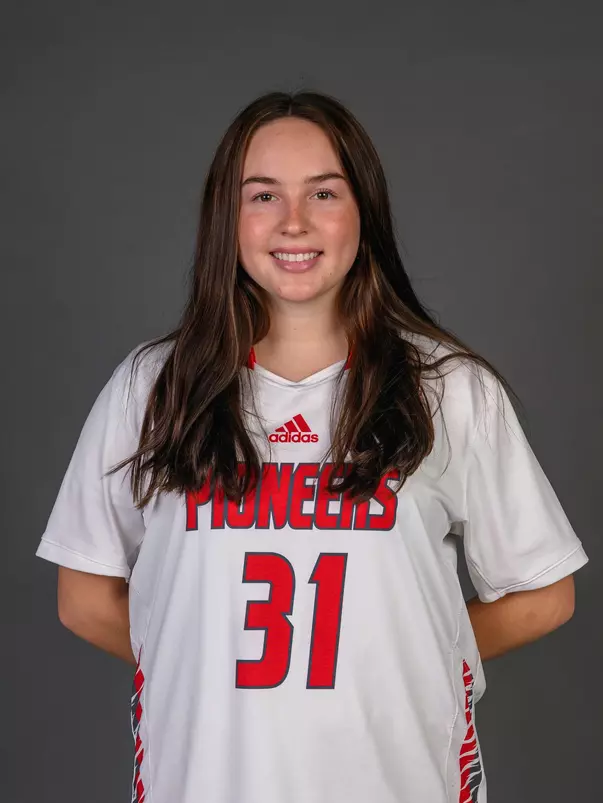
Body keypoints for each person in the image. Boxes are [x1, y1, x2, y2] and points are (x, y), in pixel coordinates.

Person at [36, 90, 588, 803]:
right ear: (225, 218)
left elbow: (544, 594)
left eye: (323, 192)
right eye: (262, 195)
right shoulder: (152, 386)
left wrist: (404, 652)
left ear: (363, 209)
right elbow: (83, 598)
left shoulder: (448, 388)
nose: (293, 221)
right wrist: (202, 658)